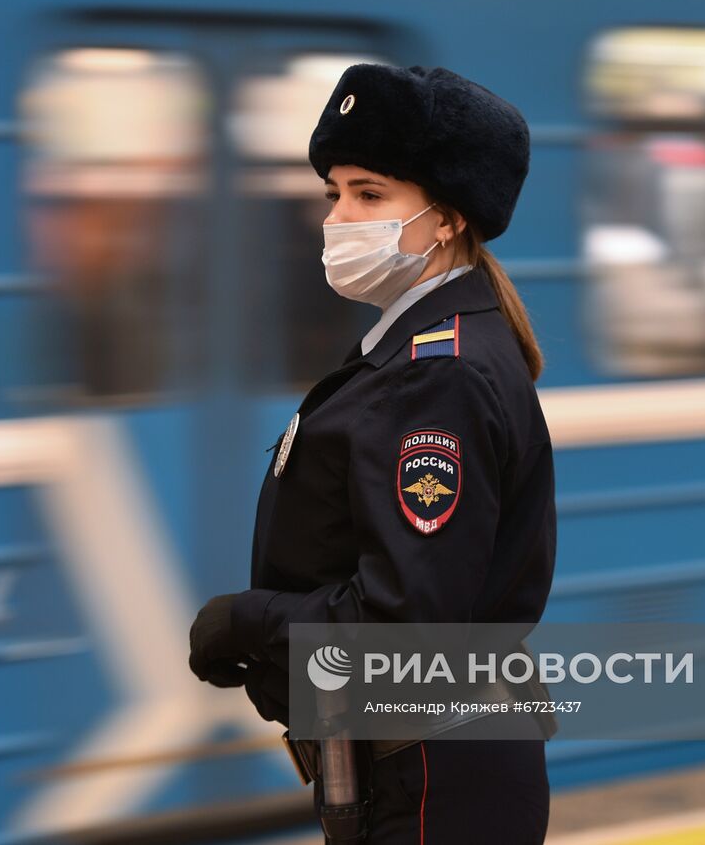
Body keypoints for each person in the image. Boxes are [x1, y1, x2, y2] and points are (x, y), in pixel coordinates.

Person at [189, 63, 556, 843]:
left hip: (429, 776)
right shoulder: (419, 349)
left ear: (448, 216)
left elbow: (407, 626)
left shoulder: (438, 375)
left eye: (371, 194)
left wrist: (249, 624)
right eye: (335, 193)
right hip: (425, 765)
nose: (340, 217)